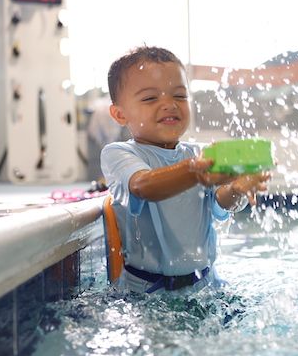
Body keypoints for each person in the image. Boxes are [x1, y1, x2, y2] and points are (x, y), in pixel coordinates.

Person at [101, 46, 271, 294]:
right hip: (146, 293)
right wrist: (196, 173)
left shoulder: (198, 155)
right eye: (150, 98)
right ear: (119, 114)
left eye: (179, 96)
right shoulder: (119, 154)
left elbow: (220, 205)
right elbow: (143, 186)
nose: (169, 105)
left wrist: (236, 189)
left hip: (205, 285)